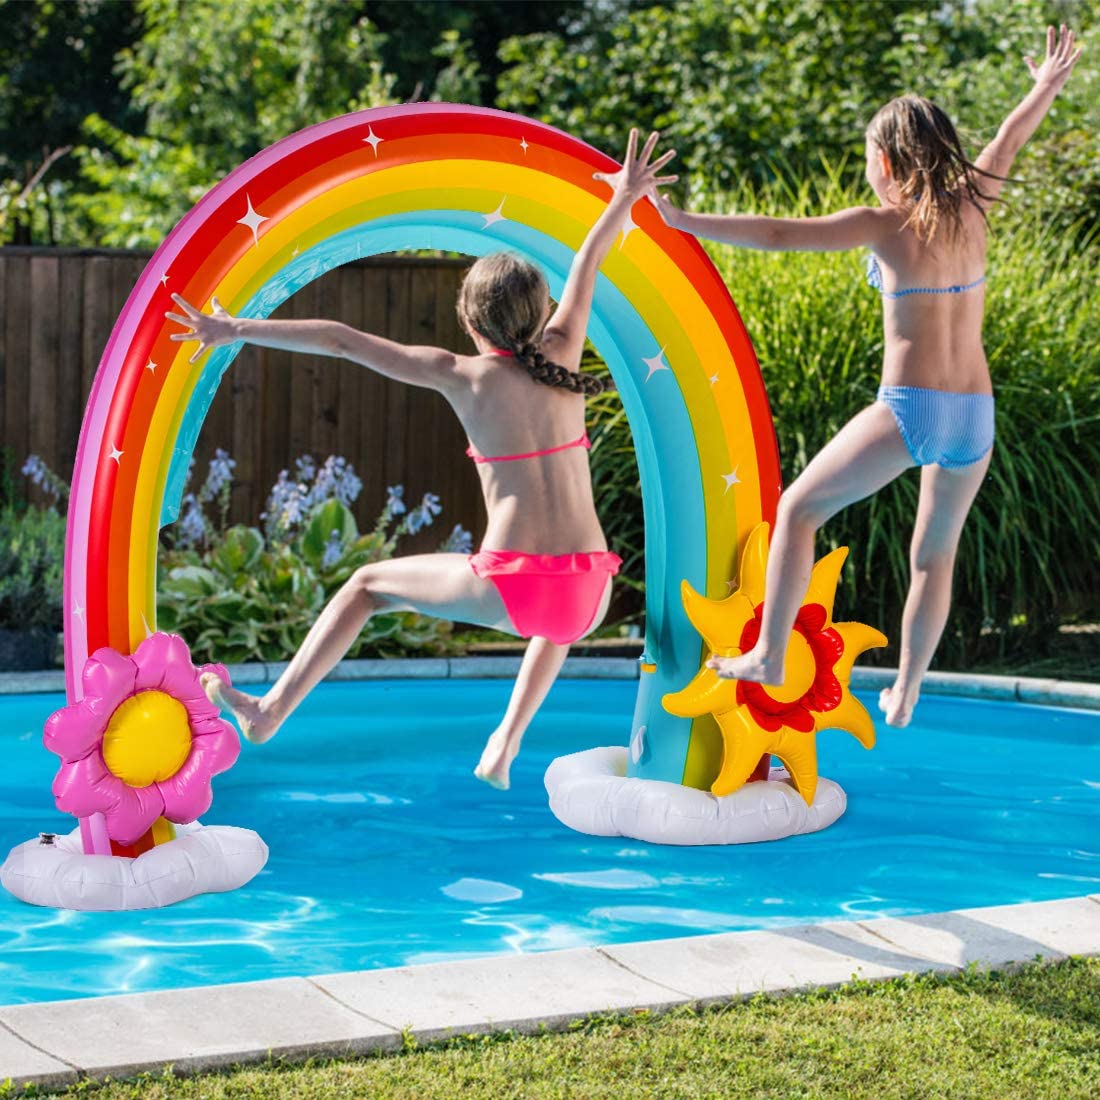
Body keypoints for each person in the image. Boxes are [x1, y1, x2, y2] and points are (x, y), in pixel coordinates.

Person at [167, 129, 676, 789]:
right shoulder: (566, 346)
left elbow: (341, 341)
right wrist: (626, 197)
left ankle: (269, 712)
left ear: (469, 321)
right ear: (541, 311)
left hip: (515, 585)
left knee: (366, 586)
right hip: (591, 594)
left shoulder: (459, 375)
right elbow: (590, 259)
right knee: (554, 616)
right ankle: (505, 742)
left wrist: (233, 328)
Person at [651, 25, 1080, 728]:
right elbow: (1009, 136)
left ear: (884, 161)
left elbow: (781, 233)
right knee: (932, 555)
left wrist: (683, 220)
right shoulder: (975, 203)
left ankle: (766, 656)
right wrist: (1046, 84)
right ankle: (908, 689)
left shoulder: (885, 224)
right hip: (975, 416)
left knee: (798, 510)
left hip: (910, 410)